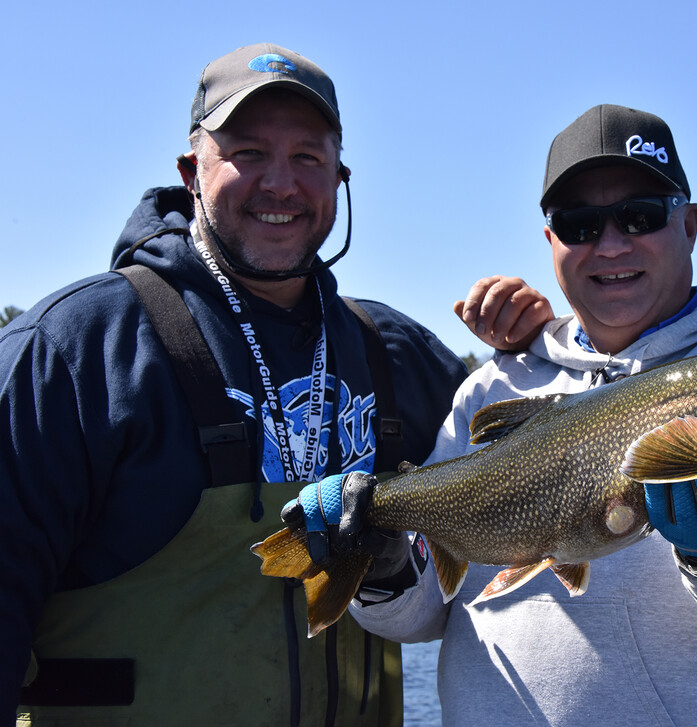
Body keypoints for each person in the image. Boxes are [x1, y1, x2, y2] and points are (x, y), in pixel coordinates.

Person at [0, 43, 546, 726]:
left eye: (308, 158)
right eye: (249, 152)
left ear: (340, 178)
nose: (281, 184)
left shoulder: (397, 355)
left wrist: (532, 352)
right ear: (190, 172)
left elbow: (532, 486)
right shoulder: (74, 350)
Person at [301, 104, 697, 725]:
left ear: (690, 225)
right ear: (552, 242)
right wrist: (382, 568)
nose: (611, 245)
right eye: (579, 224)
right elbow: (424, 612)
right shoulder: (493, 386)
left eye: (641, 216)